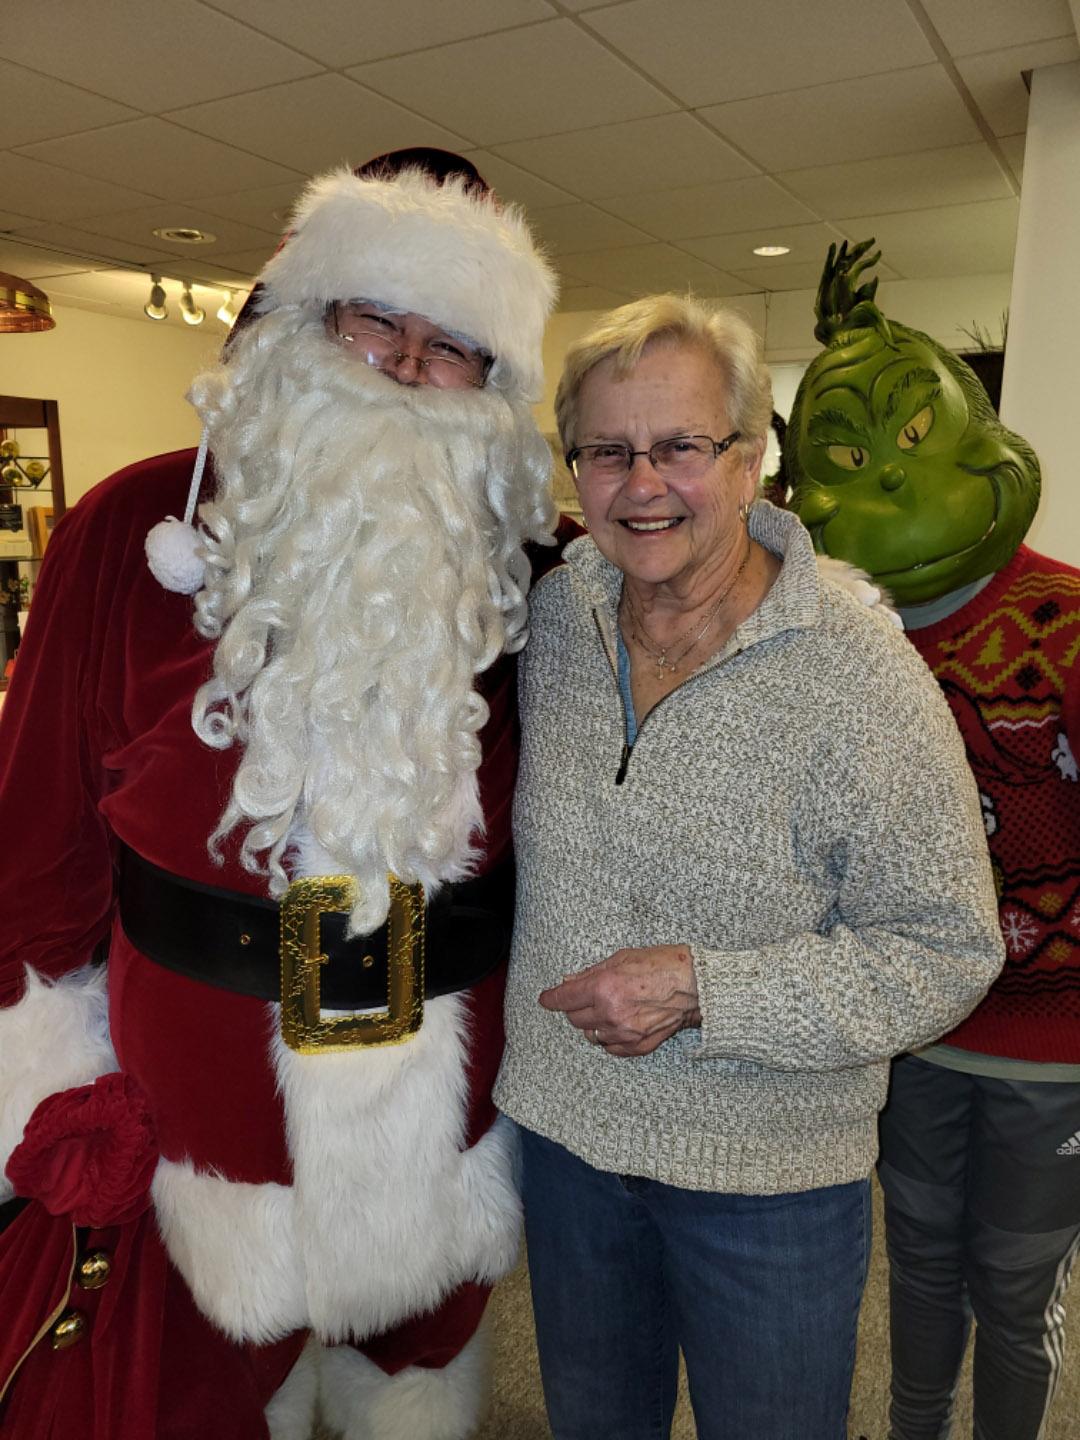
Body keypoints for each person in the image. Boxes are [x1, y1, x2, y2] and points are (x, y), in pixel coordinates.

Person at [0, 149, 565, 1440]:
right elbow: (33, 841)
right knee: (191, 1388)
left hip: (446, 1097)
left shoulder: (531, 571)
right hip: (195, 1103)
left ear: (490, 383)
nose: (407, 363)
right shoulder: (132, 527)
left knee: (416, 1374)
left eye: (453, 345)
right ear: (301, 317)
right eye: (376, 319)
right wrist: (47, 1072)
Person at [493, 293, 1006, 1440]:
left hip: (768, 1178)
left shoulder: (858, 672)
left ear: (750, 458)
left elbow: (947, 949)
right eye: (607, 451)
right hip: (567, 1143)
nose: (642, 485)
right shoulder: (556, 620)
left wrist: (706, 992)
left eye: (681, 445)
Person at [785, 239, 1080, 1440]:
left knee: (1014, 1282)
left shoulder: (1063, 621)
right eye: (851, 458)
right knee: (915, 1261)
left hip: (1051, 1044)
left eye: (913, 438)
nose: (890, 483)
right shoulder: (844, 637)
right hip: (906, 1031)